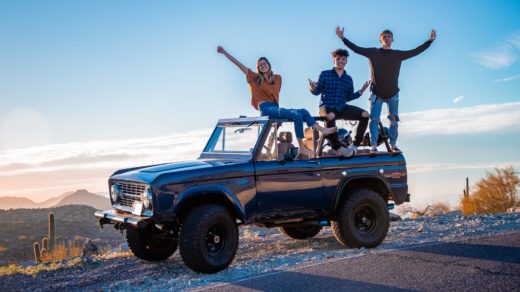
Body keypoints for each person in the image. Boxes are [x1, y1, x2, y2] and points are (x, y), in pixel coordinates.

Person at [217, 46, 336, 158]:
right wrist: (224, 52)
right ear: (258, 68)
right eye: (260, 65)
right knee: (296, 114)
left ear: (269, 64)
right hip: (265, 108)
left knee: (303, 111)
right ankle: (302, 147)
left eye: (264, 63)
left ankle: (322, 130)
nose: (263, 66)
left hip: (275, 108)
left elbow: (275, 95)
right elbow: (238, 65)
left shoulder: (278, 78)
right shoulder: (254, 78)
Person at [336, 26, 436, 153]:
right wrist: (343, 38)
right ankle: (373, 146)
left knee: (394, 122)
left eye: (389, 36)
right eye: (384, 37)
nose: (387, 38)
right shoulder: (373, 53)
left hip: (393, 95)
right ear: (380, 40)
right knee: (374, 120)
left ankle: (393, 145)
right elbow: (356, 49)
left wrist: (429, 41)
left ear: (392, 39)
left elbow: (415, 51)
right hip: (376, 94)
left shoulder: (398, 55)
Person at [309, 48, 370, 156]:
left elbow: (348, 97)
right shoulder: (325, 74)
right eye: (338, 59)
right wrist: (313, 88)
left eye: (343, 59)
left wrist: (360, 92)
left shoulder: (348, 79)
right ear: (334, 60)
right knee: (331, 116)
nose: (341, 61)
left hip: (342, 107)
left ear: (346, 61)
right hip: (326, 107)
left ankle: (355, 145)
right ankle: (337, 146)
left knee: (365, 115)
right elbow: (316, 92)